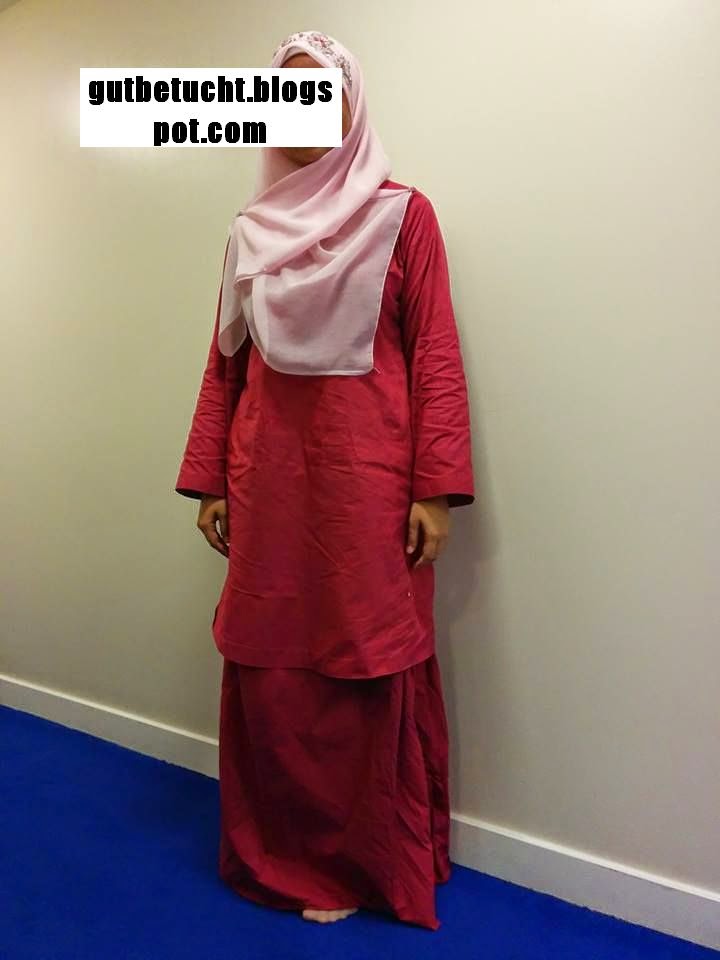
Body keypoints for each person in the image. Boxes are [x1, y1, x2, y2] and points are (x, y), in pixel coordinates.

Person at [175, 31, 475, 930]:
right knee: (271, 662)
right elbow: (225, 365)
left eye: (316, 94)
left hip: (367, 486)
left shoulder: (404, 217)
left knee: (364, 660)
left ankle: (367, 860)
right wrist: (210, 480)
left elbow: (435, 356)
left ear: (351, 105)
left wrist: (433, 489)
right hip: (267, 482)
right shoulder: (249, 231)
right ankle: (284, 855)